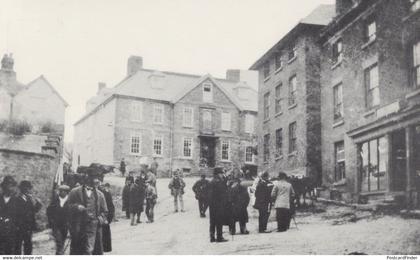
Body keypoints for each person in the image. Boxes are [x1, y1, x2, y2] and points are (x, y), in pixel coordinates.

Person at [67, 172, 108, 255]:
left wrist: (100, 219)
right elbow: (67, 207)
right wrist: (77, 207)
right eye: (92, 179)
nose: (95, 181)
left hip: (94, 226)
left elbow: (105, 211)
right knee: (79, 249)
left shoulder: (100, 195)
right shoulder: (74, 192)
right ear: (86, 180)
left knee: (90, 249)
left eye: (96, 179)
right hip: (79, 225)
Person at [14, 180, 42, 255]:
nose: (29, 189)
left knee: (28, 245)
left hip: (28, 226)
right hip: (19, 226)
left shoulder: (29, 198)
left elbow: (33, 211)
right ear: (22, 188)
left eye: (29, 188)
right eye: (27, 188)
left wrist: (38, 205)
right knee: (18, 245)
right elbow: (15, 213)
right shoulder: (16, 198)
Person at [47, 185, 71, 255]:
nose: (60, 192)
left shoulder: (70, 201)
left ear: (66, 192)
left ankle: (59, 254)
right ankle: (59, 254)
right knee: (59, 242)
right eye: (60, 191)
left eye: (62, 191)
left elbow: (72, 213)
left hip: (65, 225)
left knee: (62, 242)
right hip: (56, 225)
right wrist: (51, 221)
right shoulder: (55, 200)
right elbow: (49, 211)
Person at [208, 167, 229, 243]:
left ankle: (212, 237)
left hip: (212, 205)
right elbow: (223, 192)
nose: (222, 175)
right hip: (219, 205)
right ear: (218, 174)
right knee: (219, 221)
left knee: (212, 221)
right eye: (221, 173)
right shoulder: (219, 182)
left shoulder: (211, 181)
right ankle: (219, 237)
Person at [227, 169, 250, 235]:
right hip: (237, 204)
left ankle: (236, 230)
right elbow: (246, 196)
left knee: (236, 217)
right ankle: (239, 230)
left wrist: (245, 203)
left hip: (236, 204)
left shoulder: (233, 184)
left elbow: (246, 195)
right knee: (238, 217)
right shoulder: (233, 183)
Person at [0, 176, 18, 255]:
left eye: (11, 185)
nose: (9, 188)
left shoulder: (16, 200)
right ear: (3, 186)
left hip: (12, 230)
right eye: (7, 185)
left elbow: (19, 215)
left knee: (10, 251)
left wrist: (11, 220)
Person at [99, 183, 114, 253]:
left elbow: (110, 206)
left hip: (105, 216)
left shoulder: (107, 194)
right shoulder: (102, 193)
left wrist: (108, 218)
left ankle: (106, 248)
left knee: (105, 232)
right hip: (103, 216)